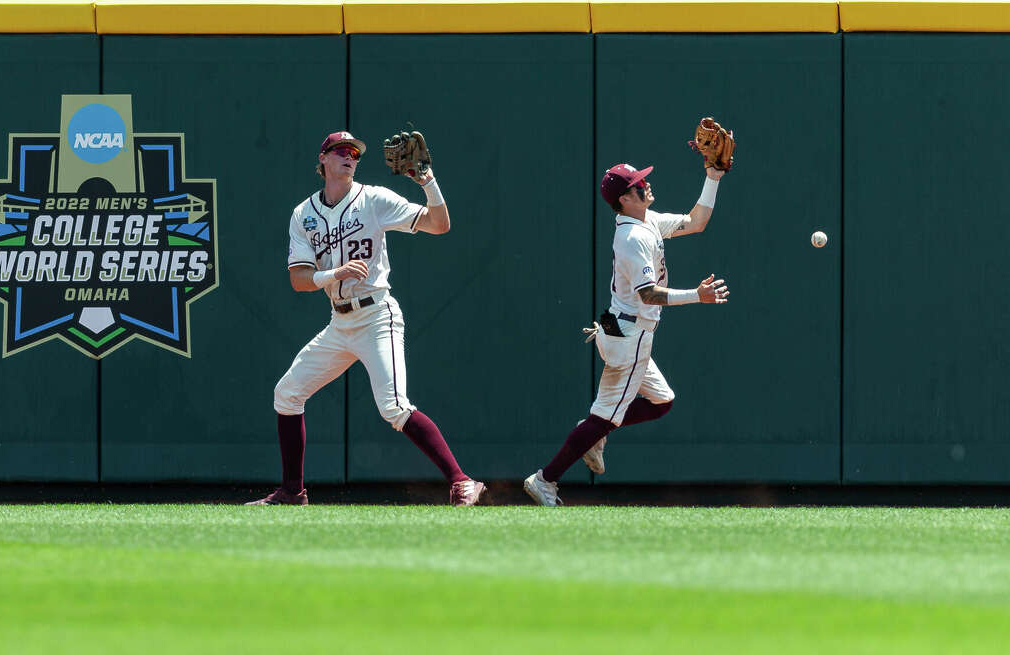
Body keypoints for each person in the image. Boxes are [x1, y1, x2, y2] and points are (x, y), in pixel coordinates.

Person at [248, 131, 486, 507]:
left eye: (355, 153)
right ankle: (292, 492)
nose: (350, 157)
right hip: (339, 324)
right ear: (323, 159)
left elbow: (439, 225)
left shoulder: (374, 199)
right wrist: (333, 275)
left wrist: (429, 184)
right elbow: (299, 279)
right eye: (341, 151)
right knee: (287, 394)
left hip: (377, 316)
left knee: (393, 406)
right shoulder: (303, 214)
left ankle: (462, 481)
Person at [523, 161, 728, 506]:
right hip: (630, 335)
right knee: (603, 416)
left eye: (642, 180)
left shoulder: (646, 220)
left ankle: (595, 430)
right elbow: (648, 294)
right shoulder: (632, 238)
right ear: (624, 199)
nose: (644, 185)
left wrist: (712, 177)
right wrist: (697, 295)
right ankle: (545, 479)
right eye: (637, 185)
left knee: (662, 401)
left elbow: (697, 222)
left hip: (624, 328)